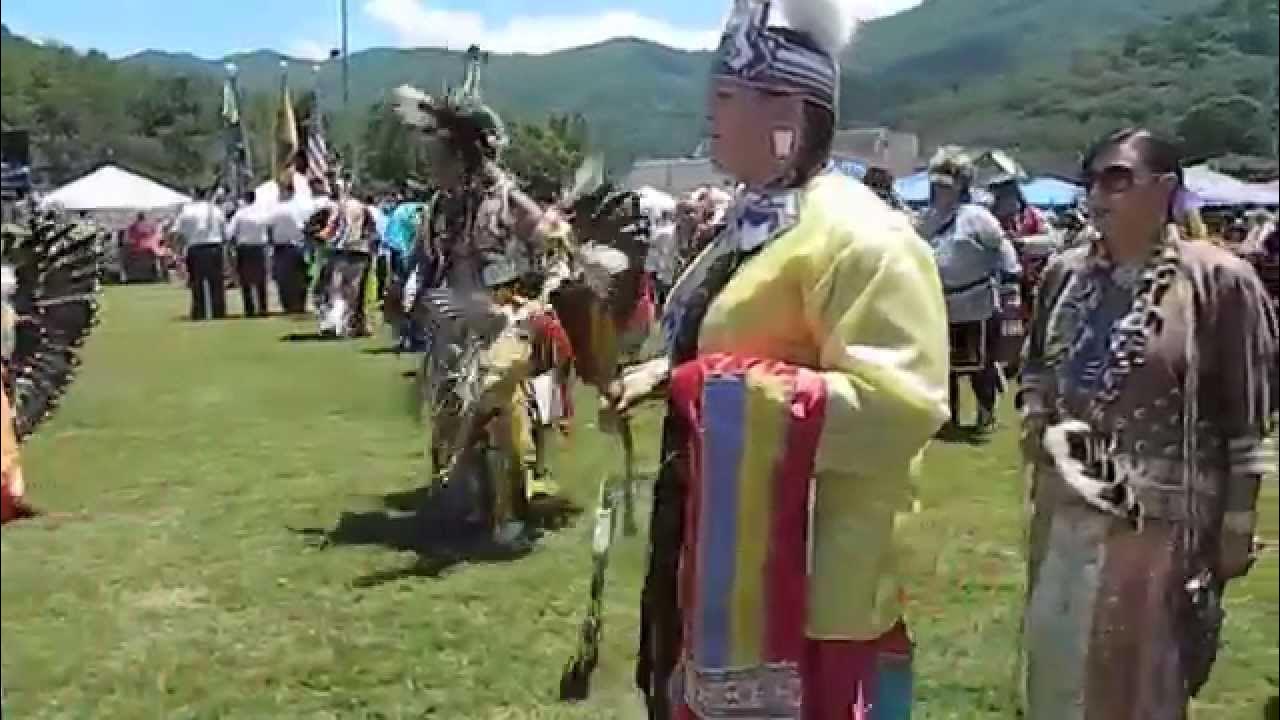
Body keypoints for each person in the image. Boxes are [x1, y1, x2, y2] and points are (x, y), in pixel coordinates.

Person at [608, 1, 950, 717]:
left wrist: (709, 391)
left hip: (811, 584)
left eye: (728, 96)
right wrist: (665, 374)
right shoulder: (752, 223)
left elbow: (901, 408)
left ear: (788, 112)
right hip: (720, 552)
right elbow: (736, 345)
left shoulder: (864, 239)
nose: (710, 112)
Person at [1019, 128, 1279, 719]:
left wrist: (1237, 523)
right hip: (1066, 510)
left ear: (1164, 190)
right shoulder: (1067, 274)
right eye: (1091, 180)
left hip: (1161, 524)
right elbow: (1035, 364)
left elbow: (1248, 415)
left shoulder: (1220, 281)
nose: (1097, 194)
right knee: (1058, 670)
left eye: (1117, 178)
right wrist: (1037, 413)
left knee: (1135, 679)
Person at [920, 150, 1010, 434]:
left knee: (979, 365)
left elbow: (1004, 253)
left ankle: (986, 414)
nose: (939, 191)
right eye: (936, 185)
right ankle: (949, 418)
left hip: (976, 304)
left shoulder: (978, 218)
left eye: (945, 186)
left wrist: (1010, 288)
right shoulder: (927, 219)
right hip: (939, 304)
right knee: (944, 366)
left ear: (960, 186)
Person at [172, 188, 228, 321]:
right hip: (215, 246)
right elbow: (224, 232)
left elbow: (177, 232)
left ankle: (199, 311)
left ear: (194, 194)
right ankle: (218, 311)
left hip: (195, 247)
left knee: (197, 282)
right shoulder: (216, 210)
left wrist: (178, 252)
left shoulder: (187, 211)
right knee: (217, 282)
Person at [266, 180, 311, 314]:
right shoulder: (302, 206)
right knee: (301, 278)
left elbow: (269, 228)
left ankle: (289, 306)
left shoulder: (277, 208)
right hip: (301, 246)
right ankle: (300, 304)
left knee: (284, 280)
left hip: (282, 247)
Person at [226, 190, 270, 317]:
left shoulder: (240, 214)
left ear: (245, 199)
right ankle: (263, 308)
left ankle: (249, 308)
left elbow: (229, 233)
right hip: (260, 247)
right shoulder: (263, 212)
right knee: (261, 279)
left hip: (245, 248)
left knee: (245, 279)